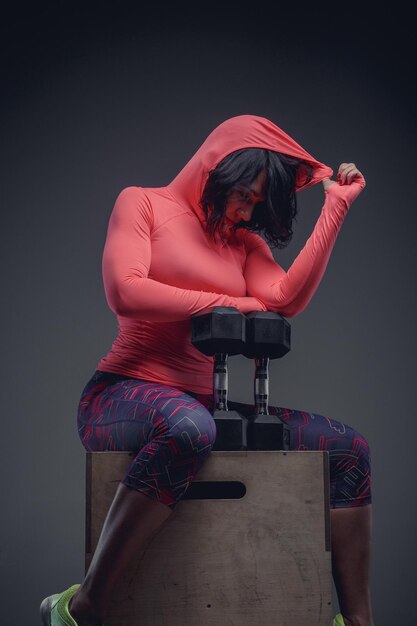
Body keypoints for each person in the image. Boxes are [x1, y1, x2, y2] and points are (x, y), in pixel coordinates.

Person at [40, 115, 373, 626]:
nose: (246, 209)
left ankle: (357, 622)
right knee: (191, 426)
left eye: (257, 202)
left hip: (199, 411)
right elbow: (125, 290)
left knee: (349, 451)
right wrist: (229, 301)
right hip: (119, 396)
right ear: (214, 167)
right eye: (243, 193)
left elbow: (283, 299)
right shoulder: (142, 203)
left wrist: (335, 209)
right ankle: (83, 607)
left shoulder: (242, 242)